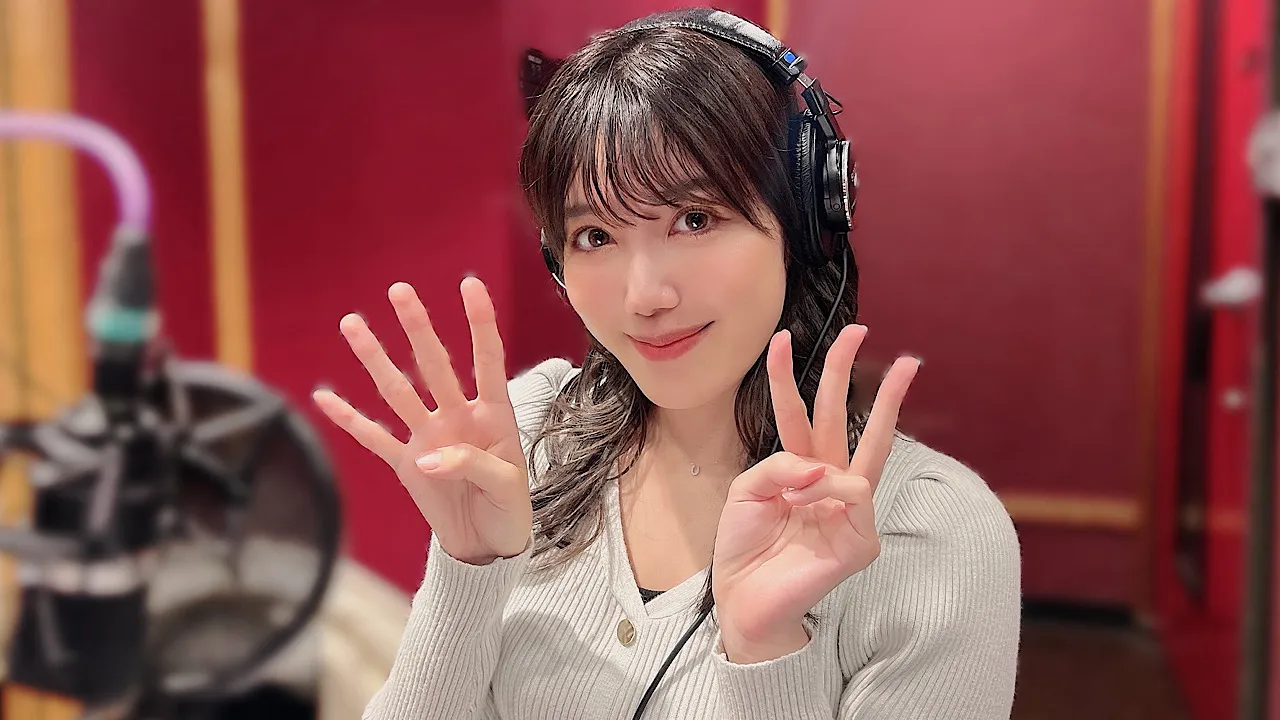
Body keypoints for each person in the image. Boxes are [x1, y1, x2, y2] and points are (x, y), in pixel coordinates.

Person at [312, 9, 1021, 720]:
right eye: (595, 235)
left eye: (694, 220)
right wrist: (468, 571)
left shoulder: (932, 531)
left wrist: (766, 649)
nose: (645, 297)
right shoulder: (534, 437)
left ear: (804, 223)